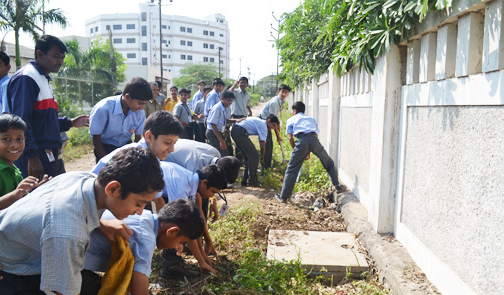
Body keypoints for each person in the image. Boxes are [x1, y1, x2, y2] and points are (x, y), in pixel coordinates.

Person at [0, 147, 164, 295]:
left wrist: (102, 224)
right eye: (138, 203)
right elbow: (61, 290)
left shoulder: (84, 178)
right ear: (113, 189)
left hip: (13, 248)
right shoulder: (69, 232)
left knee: (91, 285)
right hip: (10, 272)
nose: (140, 211)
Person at [7, 35, 89, 179]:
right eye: (56, 56)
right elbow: (21, 121)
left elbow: (43, 120)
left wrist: (69, 123)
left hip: (48, 154)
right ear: (40, 54)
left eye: (62, 58)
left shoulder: (43, 78)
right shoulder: (27, 78)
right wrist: (32, 157)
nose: (60, 62)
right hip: (35, 156)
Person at [83, 199, 205, 295]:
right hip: (71, 264)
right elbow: (139, 292)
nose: (178, 247)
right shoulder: (146, 239)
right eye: (181, 242)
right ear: (172, 232)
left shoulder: (144, 216)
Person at [91, 110, 184, 211]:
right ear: (149, 137)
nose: (172, 149)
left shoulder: (153, 160)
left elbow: (157, 198)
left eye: (174, 143)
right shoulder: (134, 160)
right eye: (167, 143)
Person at [158, 163, 226, 279]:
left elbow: (193, 224)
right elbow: (182, 224)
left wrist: (203, 256)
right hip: (138, 188)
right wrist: (201, 261)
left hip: (156, 193)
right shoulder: (182, 186)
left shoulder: (192, 186)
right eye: (213, 192)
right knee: (176, 228)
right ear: (204, 183)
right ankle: (171, 267)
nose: (211, 196)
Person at [276, 101, 346, 203]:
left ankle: (283, 197)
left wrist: (299, 151)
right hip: (313, 139)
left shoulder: (291, 119)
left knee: (292, 168)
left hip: (301, 141)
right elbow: (315, 135)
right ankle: (337, 186)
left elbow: (290, 138)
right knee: (328, 162)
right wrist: (308, 151)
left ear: (294, 111)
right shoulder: (311, 119)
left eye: (292, 110)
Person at [89, 77, 151, 163]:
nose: (142, 108)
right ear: (127, 97)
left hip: (126, 148)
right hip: (105, 148)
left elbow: (137, 139)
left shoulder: (139, 112)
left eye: (145, 104)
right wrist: (106, 162)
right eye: (140, 103)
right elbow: (96, 139)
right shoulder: (103, 109)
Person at [0, 114, 49, 210]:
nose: (14, 145)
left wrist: (37, 190)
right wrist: (15, 194)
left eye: (19, 139)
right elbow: (15, 196)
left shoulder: (14, 169)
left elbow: (21, 200)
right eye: (6, 139)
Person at [232, 115, 280, 187]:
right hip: (239, 132)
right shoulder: (264, 126)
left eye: (274, 127)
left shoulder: (261, 123)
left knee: (248, 157)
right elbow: (262, 145)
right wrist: (262, 157)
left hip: (236, 131)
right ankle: (251, 181)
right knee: (254, 156)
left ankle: (245, 180)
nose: (272, 128)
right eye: (273, 125)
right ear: (268, 121)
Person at [257, 84, 291, 170]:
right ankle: (264, 167)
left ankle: (267, 165)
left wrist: (278, 129)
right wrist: (278, 135)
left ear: (288, 94)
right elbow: (272, 120)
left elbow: (275, 120)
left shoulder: (281, 101)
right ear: (278, 92)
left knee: (269, 144)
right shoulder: (275, 102)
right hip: (263, 122)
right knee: (267, 145)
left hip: (268, 121)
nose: (284, 94)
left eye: (286, 92)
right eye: (282, 91)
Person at [206, 90, 244, 156]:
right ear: (222, 98)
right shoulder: (217, 108)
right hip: (213, 132)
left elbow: (225, 121)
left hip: (219, 132)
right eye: (228, 100)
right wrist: (221, 141)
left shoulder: (227, 108)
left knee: (219, 153)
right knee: (222, 154)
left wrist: (237, 120)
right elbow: (213, 124)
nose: (230, 102)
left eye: (231, 101)